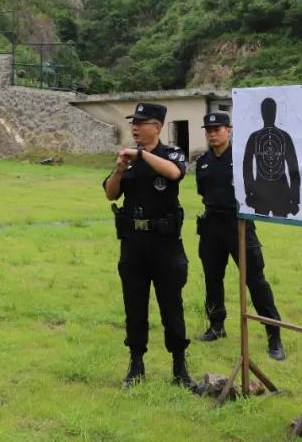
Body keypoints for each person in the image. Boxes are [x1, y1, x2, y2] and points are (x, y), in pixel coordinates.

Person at [103, 102, 193, 389]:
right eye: (133, 123)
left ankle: (179, 366)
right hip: (134, 244)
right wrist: (119, 170)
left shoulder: (171, 153)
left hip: (164, 243)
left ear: (157, 127)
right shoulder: (128, 159)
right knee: (134, 305)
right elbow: (110, 194)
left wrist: (141, 154)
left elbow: (174, 173)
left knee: (171, 305)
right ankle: (136, 364)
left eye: (141, 123)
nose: (135, 128)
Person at [195, 112, 285, 361]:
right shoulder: (203, 162)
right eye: (209, 130)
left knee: (255, 280)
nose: (212, 133)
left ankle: (273, 335)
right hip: (212, 224)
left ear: (229, 130)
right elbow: (203, 192)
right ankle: (216, 325)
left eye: (217, 129)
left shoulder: (243, 158)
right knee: (213, 278)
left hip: (239, 224)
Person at [242, 97, 301, 218]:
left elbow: (293, 168)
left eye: (270, 111)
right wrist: (250, 192)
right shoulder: (256, 137)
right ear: (262, 113)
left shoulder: (283, 137)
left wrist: (294, 198)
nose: (268, 114)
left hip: (280, 191)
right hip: (261, 190)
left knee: (281, 228)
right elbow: (246, 167)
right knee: (260, 227)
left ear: (275, 112)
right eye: (266, 111)